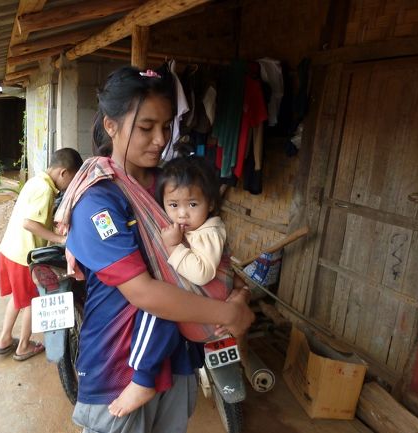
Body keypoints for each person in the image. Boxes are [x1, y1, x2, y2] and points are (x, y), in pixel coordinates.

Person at [55, 66, 254, 433]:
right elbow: (143, 291)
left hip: (177, 357)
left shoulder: (173, 189)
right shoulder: (99, 200)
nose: (160, 138)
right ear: (111, 125)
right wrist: (227, 313)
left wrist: (235, 293)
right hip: (121, 363)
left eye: (166, 126)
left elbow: (210, 248)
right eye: (146, 127)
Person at [109, 155, 231, 417]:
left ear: (210, 204)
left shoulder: (209, 231)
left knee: (155, 308)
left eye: (193, 204)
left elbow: (201, 272)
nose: (182, 214)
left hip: (208, 294)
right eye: (173, 205)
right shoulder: (194, 227)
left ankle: (142, 379)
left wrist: (173, 247)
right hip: (206, 303)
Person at [0, 147, 83, 361]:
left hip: (9, 250)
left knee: (18, 297)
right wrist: (61, 239)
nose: (68, 187)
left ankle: (4, 340)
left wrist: (53, 225)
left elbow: (33, 216)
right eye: (70, 181)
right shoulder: (46, 190)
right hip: (24, 256)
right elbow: (30, 223)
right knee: (35, 301)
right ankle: (23, 346)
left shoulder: (36, 181)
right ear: (63, 173)